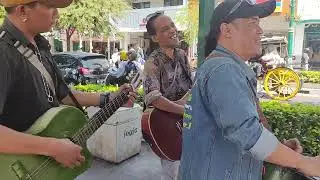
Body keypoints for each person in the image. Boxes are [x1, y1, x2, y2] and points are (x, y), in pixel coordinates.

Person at [179, 0, 320, 179]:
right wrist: (305, 163)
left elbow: (245, 130)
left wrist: (280, 150)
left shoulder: (219, 67)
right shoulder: (224, 70)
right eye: (253, 23)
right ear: (227, 30)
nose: (260, 30)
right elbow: (249, 135)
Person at [0, 0, 136, 169]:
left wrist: (108, 98)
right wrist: (51, 147)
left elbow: (62, 96)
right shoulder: (3, 52)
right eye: (50, 7)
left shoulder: (40, 47)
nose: (57, 14)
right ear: (22, 11)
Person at [143, 11, 193, 180]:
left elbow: (191, 88)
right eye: (165, 29)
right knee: (174, 173)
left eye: (172, 25)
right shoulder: (152, 63)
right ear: (155, 38)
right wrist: (184, 110)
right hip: (166, 127)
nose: (173, 30)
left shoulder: (181, 55)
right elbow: (154, 98)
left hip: (187, 122)